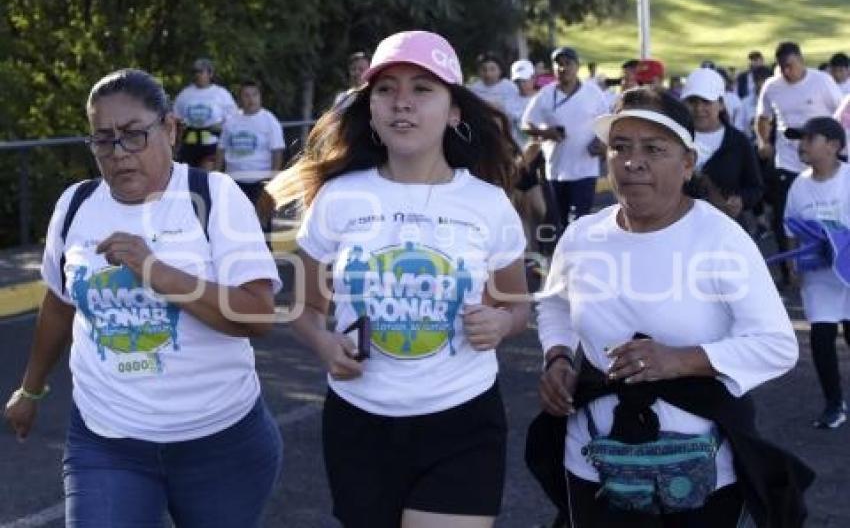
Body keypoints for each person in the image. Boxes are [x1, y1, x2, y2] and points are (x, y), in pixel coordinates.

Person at [265, 30, 530, 528]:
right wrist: (325, 346)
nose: (401, 103)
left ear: (454, 111)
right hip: (359, 424)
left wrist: (499, 323)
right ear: (370, 110)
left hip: (462, 420)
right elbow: (303, 309)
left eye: (422, 89)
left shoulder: (488, 204)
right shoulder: (338, 198)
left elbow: (517, 308)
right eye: (386, 90)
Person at [3, 69, 283, 526]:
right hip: (107, 440)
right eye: (103, 140)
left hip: (221, 445)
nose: (119, 154)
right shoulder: (75, 204)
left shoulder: (213, 196)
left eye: (134, 136)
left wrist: (157, 271)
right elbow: (58, 303)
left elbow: (258, 316)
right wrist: (30, 389)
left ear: (169, 129)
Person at [532, 86, 809, 527]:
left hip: (698, 472)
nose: (632, 160)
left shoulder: (720, 239)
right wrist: (558, 356)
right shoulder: (582, 236)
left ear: (686, 163)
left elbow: (777, 345)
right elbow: (555, 306)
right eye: (619, 147)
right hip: (592, 460)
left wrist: (680, 360)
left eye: (653, 148)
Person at [756, 41, 844, 286]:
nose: (786, 72)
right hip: (788, 160)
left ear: (801, 61)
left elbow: (841, 114)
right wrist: (764, 141)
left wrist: (836, 146)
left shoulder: (822, 82)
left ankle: (836, 259)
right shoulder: (772, 87)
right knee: (787, 217)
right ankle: (790, 270)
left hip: (825, 156)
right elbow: (763, 117)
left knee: (831, 210)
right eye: (782, 67)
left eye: (791, 66)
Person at [783, 117, 850, 429]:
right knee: (822, 339)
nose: (802, 145)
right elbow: (791, 227)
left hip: (848, 275)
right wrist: (793, 267)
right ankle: (833, 404)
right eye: (801, 139)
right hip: (818, 277)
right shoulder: (799, 185)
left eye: (810, 139)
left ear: (834, 146)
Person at [522, 46, 608, 235]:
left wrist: (601, 142)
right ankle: (564, 260)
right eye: (558, 64)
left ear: (577, 67)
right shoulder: (545, 94)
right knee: (560, 221)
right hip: (556, 169)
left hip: (586, 168)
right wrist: (547, 133)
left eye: (568, 63)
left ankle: (582, 258)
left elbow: (607, 123)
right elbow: (526, 124)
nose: (563, 68)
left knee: (581, 220)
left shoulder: (592, 93)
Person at [681, 67, 763, 222]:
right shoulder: (675, 139)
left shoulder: (739, 141)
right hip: (681, 225)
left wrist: (740, 200)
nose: (698, 108)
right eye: (692, 101)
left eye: (706, 102)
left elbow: (755, 187)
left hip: (727, 227)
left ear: (721, 104)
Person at [216, 79, 285, 232]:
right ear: (240, 98)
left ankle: (265, 254)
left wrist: (273, 181)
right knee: (235, 225)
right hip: (234, 181)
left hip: (260, 182)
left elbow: (277, 152)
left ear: (260, 97)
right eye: (246, 95)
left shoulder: (269, 120)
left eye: (254, 94)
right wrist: (216, 175)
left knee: (262, 226)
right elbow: (221, 149)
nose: (251, 99)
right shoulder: (231, 121)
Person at [173, 57, 238, 171]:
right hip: (189, 143)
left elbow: (233, 117)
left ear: (210, 74)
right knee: (189, 178)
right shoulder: (185, 94)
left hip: (211, 143)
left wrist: (222, 126)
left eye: (201, 71)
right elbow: (175, 117)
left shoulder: (221, 94)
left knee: (206, 177)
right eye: (195, 72)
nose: (198, 75)